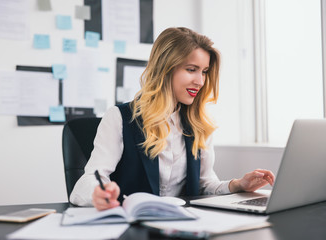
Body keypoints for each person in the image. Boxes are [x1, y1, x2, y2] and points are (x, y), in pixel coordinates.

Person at [70, 27, 275, 210]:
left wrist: (237, 185)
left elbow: (205, 184)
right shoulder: (120, 118)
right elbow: (88, 181)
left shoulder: (199, 125)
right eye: (191, 70)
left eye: (204, 72)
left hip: (182, 226)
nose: (200, 81)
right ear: (165, 68)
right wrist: (99, 192)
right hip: (132, 227)